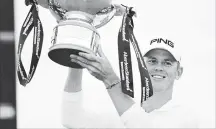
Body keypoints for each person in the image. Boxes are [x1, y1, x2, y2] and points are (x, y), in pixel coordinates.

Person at [62, 37, 199, 128]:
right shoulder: (119, 112)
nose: (158, 67)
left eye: (167, 63)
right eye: (152, 61)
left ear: (179, 72)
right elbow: (71, 119)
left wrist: (110, 79)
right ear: (141, 65)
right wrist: (77, 59)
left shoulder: (187, 118)